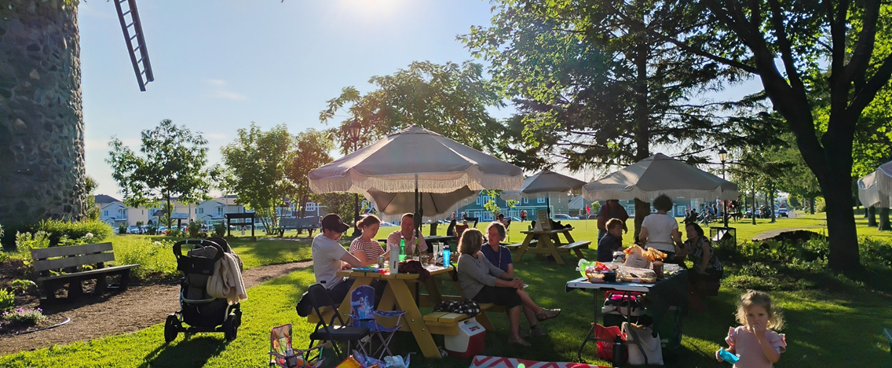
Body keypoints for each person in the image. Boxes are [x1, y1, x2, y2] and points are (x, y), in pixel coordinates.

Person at [457, 228, 560, 346]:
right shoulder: (465, 259)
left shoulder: (479, 254)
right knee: (513, 292)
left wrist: (511, 279)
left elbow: (493, 269)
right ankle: (538, 313)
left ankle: (516, 335)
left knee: (514, 297)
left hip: (485, 288)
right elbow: (485, 279)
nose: (483, 241)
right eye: (480, 239)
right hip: (476, 293)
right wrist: (510, 284)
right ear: (473, 242)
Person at [480, 222, 546, 338]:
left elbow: (510, 272)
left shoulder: (505, 251)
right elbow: (486, 274)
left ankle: (533, 327)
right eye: (489, 234)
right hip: (492, 285)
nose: (490, 236)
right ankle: (529, 322)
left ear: (501, 237)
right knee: (515, 295)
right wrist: (509, 283)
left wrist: (513, 282)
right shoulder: (483, 250)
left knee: (520, 291)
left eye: (494, 234)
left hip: (505, 282)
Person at [716, 291, 786, 367]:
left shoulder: (772, 336)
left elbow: (774, 358)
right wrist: (724, 355)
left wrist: (761, 338)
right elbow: (734, 351)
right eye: (750, 315)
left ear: (768, 316)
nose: (756, 319)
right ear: (744, 316)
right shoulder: (739, 332)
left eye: (760, 315)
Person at [312, 214, 364, 303]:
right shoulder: (331, 245)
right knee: (367, 286)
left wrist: (343, 265)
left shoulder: (318, 239)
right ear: (327, 231)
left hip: (322, 287)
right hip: (333, 290)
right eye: (337, 231)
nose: (340, 234)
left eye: (342, 231)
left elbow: (326, 260)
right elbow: (358, 263)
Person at [638, 194, 685, 261]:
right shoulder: (671, 220)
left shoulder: (647, 219)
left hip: (651, 249)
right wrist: (681, 246)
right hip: (667, 249)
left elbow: (642, 237)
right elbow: (676, 239)